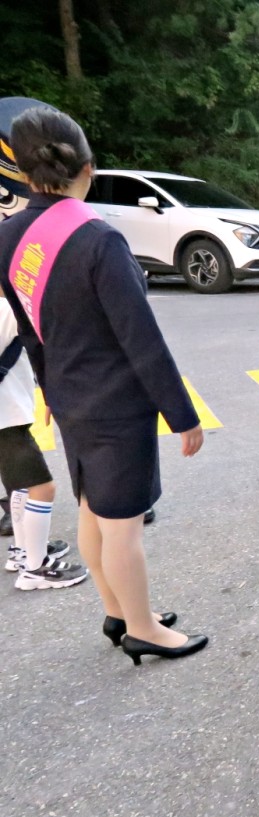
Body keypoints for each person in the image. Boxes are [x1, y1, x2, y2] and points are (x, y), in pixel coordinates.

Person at [0, 107, 206, 662]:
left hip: (69, 397)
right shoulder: (98, 239)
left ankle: (118, 611)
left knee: (94, 509)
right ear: (87, 168)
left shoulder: (10, 235)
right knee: (123, 525)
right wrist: (182, 414)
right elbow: (141, 337)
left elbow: (29, 328)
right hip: (117, 405)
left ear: (21, 172)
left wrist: (46, 389)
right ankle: (142, 627)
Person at [0, 297, 84, 589]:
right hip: (6, 417)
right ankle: (35, 568)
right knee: (41, 487)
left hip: (8, 415)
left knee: (19, 487)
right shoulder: (6, 309)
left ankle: (22, 553)